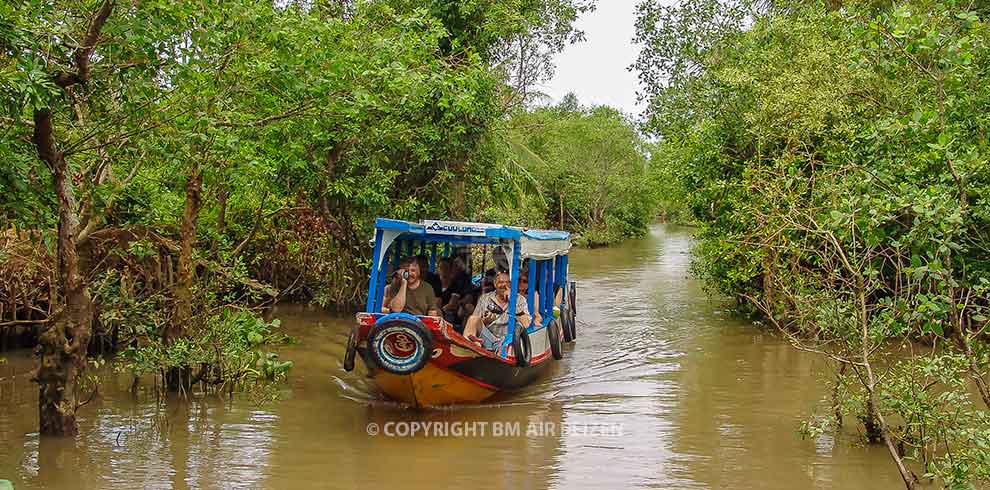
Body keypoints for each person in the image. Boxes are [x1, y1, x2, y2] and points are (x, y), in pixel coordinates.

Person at [462, 271, 531, 351]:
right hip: (488, 339)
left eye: (508, 282)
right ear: (495, 284)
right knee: (472, 319)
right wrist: (485, 321)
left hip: (508, 343)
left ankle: (476, 347)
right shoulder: (485, 298)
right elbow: (475, 323)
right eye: (501, 282)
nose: (504, 285)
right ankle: (466, 348)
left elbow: (526, 324)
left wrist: (512, 302)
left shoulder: (520, 299)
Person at [437, 257, 473, 325]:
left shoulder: (456, 285)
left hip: (447, 313)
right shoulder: (434, 282)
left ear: (451, 270)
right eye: (441, 267)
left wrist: (441, 310)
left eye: (446, 267)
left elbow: (452, 304)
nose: (443, 270)